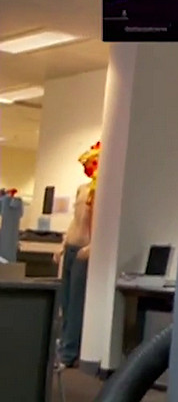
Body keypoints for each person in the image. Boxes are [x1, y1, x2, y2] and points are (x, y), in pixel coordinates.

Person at [57, 141, 101, 368]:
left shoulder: (101, 189)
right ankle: (63, 344)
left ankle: (69, 352)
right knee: (64, 300)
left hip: (84, 249)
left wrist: (93, 246)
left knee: (76, 302)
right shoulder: (82, 188)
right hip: (71, 247)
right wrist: (63, 244)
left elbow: (101, 221)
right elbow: (75, 219)